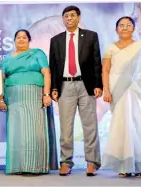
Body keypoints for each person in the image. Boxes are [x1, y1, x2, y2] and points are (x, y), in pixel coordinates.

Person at [49, 5, 103, 176]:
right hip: (65, 86)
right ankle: (66, 162)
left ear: (79, 17)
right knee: (66, 127)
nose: (69, 18)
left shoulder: (90, 36)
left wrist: (98, 85)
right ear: (63, 19)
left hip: (86, 85)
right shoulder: (56, 40)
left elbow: (96, 62)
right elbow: (53, 65)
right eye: (66, 16)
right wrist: (54, 88)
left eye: (72, 15)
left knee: (90, 125)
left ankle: (92, 163)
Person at [102, 16, 141, 178]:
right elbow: (105, 70)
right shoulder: (110, 48)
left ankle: (139, 164)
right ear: (116, 29)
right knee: (120, 125)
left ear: (133, 28)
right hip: (116, 89)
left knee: (137, 123)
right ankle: (122, 166)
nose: (125, 28)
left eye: (128, 25)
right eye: (121, 25)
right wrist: (106, 91)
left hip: (136, 89)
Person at [0, 29, 56, 175]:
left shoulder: (37, 53)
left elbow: (46, 73)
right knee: (16, 131)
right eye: (18, 37)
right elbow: (0, 80)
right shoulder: (7, 59)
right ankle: (18, 166)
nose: (21, 40)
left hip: (34, 95)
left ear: (29, 40)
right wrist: (1, 99)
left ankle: (36, 166)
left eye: (24, 37)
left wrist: (46, 94)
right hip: (13, 97)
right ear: (14, 40)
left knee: (34, 129)